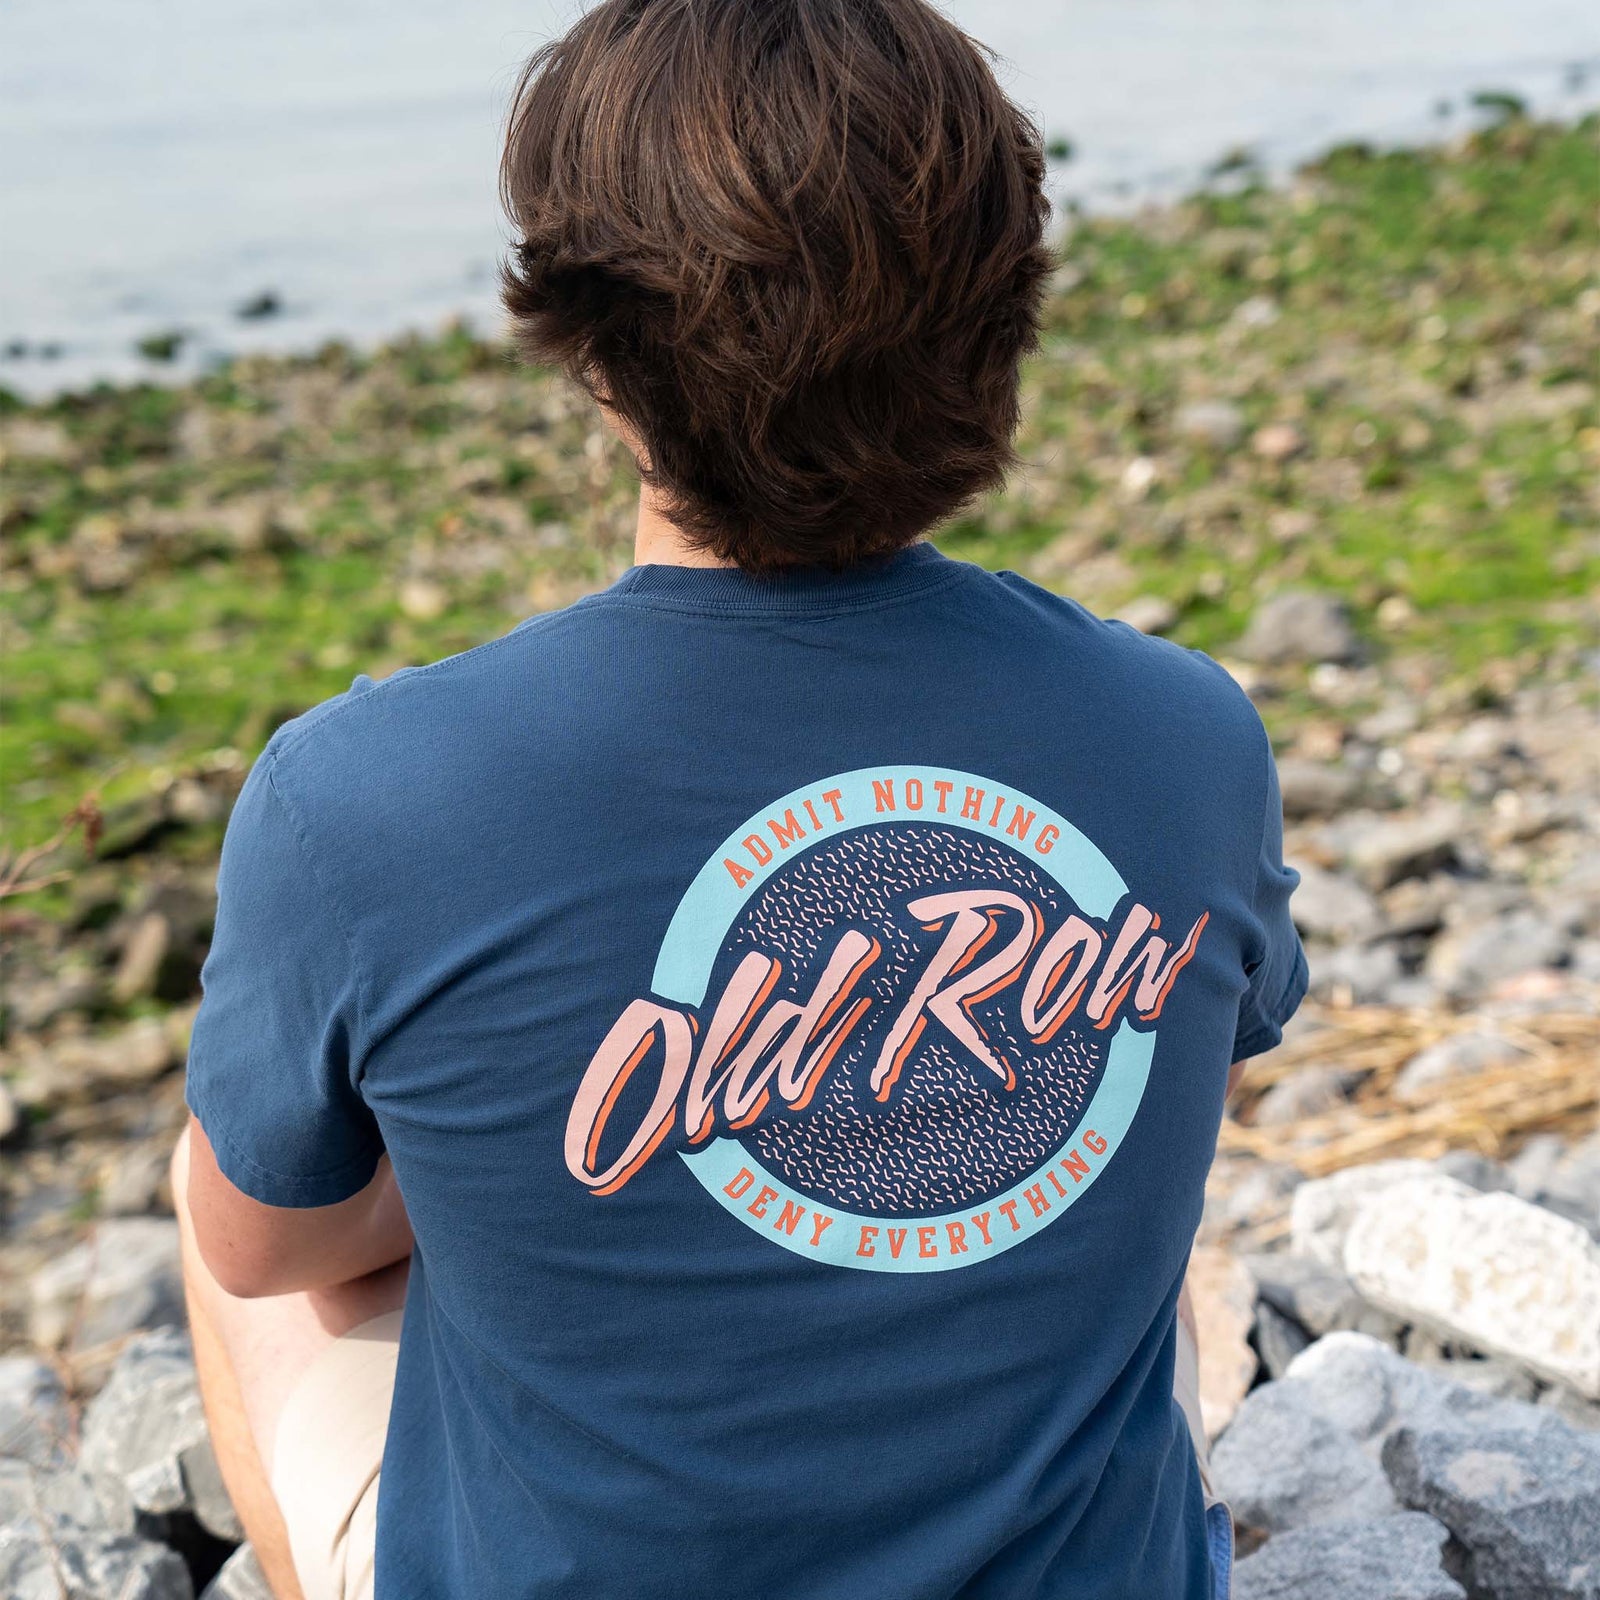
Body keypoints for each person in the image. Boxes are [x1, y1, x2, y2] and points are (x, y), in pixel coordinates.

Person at [173, 1, 1307, 1596]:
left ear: (587, 342)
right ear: (1004, 311)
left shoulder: (358, 797)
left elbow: (265, 1252)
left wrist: (524, 1144)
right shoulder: (1187, 737)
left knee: (236, 1188)